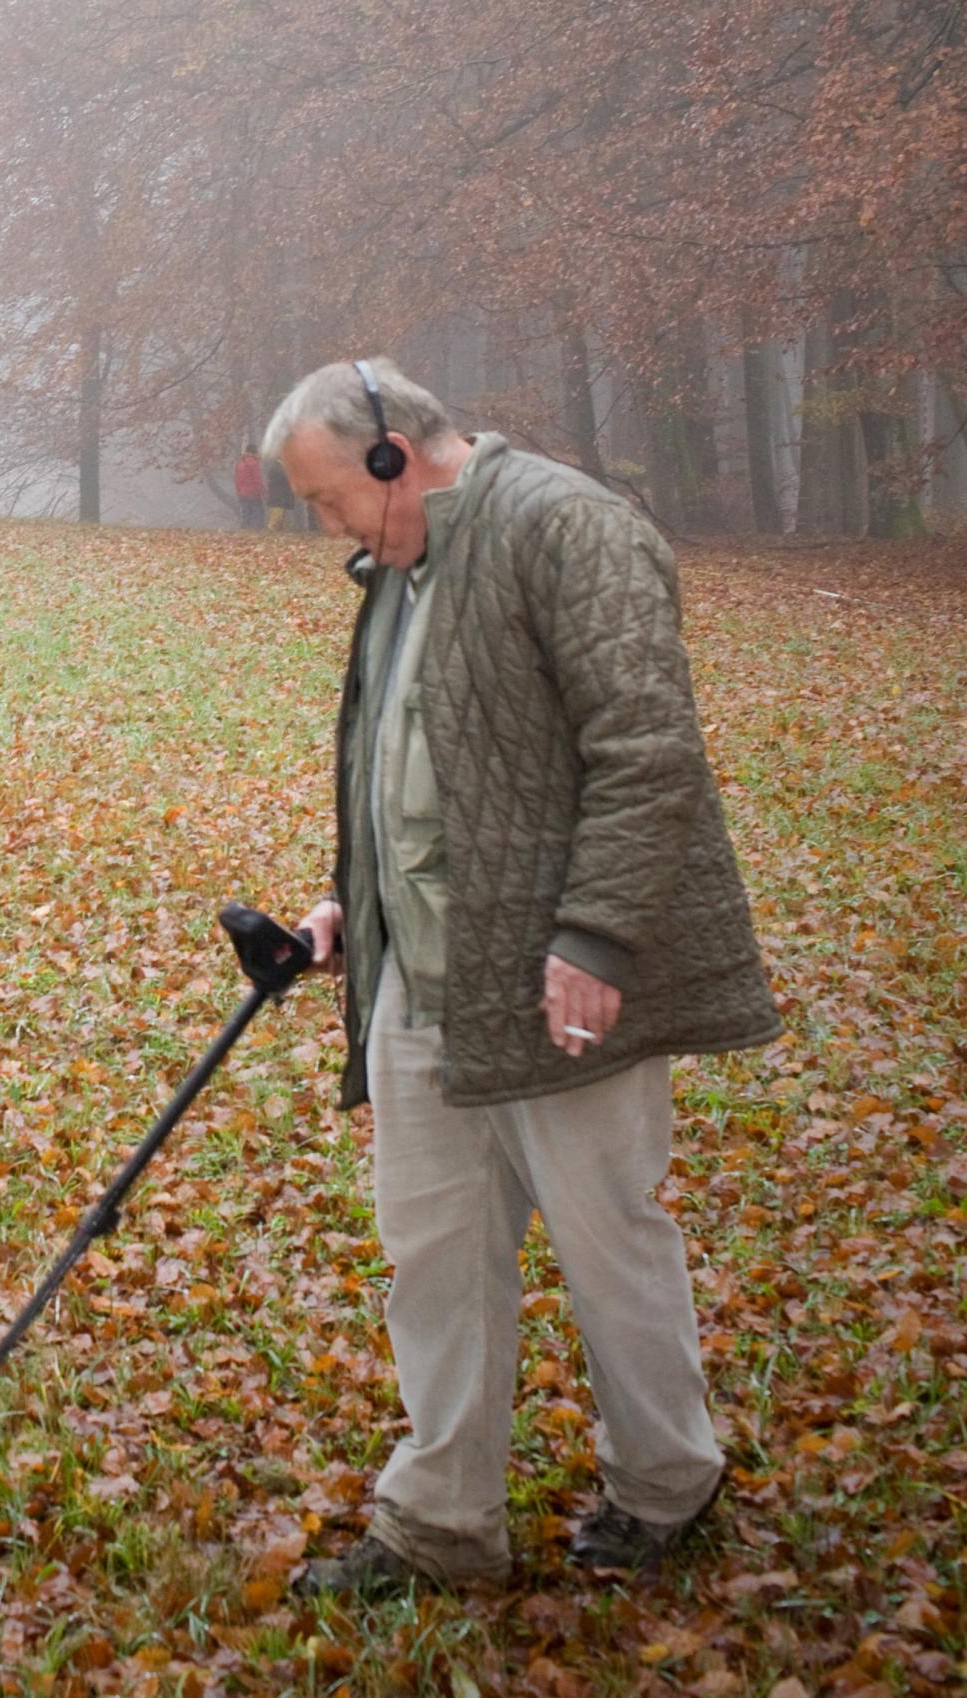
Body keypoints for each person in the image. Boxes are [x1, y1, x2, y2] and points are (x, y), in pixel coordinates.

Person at [262, 357, 779, 1596]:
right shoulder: (400, 566)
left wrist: (595, 937)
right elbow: (417, 753)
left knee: (609, 1242)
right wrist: (355, 896)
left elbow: (646, 749)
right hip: (423, 978)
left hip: (556, 981)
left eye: (332, 499)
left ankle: (668, 1487)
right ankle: (441, 1521)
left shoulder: (568, 526)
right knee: (432, 1254)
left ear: (394, 452)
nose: (328, 528)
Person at [234, 445, 266, 529]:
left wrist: (238, 491)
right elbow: (257, 480)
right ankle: (257, 531)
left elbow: (237, 480)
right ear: (254, 452)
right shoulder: (254, 463)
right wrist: (263, 492)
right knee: (258, 512)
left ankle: (244, 529)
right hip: (253, 492)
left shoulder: (240, 463)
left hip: (242, 492)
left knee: (245, 512)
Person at [264, 456, 296, 531]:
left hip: (280, 494)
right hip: (278, 495)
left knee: (280, 513)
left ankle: (278, 529)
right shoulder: (277, 467)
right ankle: (271, 528)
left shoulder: (277, 466)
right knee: (277, 513)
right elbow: (283, 478)